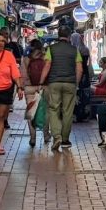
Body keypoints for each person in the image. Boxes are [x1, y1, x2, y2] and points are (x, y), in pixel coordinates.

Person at [41, 16, 83, 151]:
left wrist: (41, 81)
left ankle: (57, 136)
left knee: (54, 109)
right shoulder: (74, 50)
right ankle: (65, 139)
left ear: (58, 35)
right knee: (67, 111)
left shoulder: (51, 49)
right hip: (70, 83)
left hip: (54, 83)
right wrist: (76, 83)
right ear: (69, 36)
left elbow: (47, 65)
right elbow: (80, 69)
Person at [20, 39, 50, 148]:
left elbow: (23, 75)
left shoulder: (26, 58)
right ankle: (46, 135)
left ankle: (32, 138)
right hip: (44, 87)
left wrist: (23, 86)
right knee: (46, 111)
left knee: (31, 112)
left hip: (30, 88)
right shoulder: (46, 57)